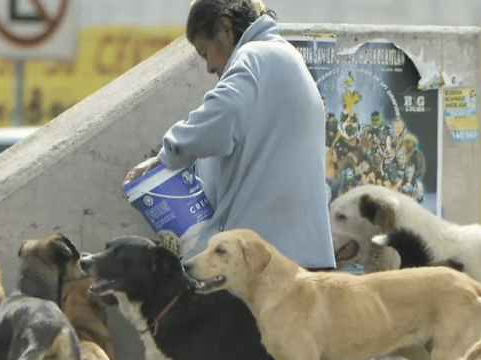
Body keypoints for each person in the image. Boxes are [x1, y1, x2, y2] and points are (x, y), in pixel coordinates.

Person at [123, 0, 336, 271]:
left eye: (205, 53)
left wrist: (168, 154)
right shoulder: (281, 56)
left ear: (225, 29)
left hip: (265, 262)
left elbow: (222, 116)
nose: (210, 67)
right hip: (298, 254)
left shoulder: (254, 56)